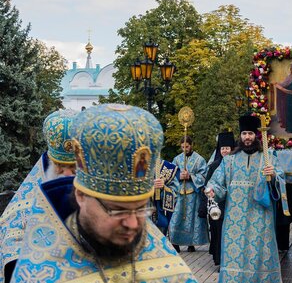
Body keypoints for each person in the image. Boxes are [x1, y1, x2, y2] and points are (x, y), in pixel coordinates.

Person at [4, 104, 197, 282]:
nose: (132, 223)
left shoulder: (159, 254)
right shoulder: (37, 269)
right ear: (81, 195)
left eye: (140, 209)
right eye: (117, 210)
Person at [206, 114, 290, 282]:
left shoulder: (268, 158)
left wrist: (273, 175)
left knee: (260, 253)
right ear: (240, 136)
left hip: (261, 217)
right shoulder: (229, 161)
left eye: (250, 134)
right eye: (244, 134)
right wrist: (212, 189)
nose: (247, 137)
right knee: (235, 253)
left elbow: (281, 180)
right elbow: (217, 182)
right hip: (235, 218)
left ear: (256, 135)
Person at [0, 109, 78, 281]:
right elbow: (10, 238)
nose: (67, 176)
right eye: (59, 167)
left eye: (74, 169)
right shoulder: (28, 200)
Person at [199, 131, 235, 267]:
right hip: (217, 207)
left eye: (227, 148)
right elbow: (206, 186)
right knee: (218, 233)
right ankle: (219, 261)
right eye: (223, 148)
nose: (225, 151)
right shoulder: (214, 165)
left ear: (232, 149)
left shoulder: (236, 165)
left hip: (232, 205)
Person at [167, 136, 208, 252]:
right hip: (179, 194)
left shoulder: (199, 160)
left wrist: (190, 176)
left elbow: (204, 176)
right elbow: (171, 175)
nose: (185, 149)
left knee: (192, 219)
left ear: (191, 145)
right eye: (183, 147)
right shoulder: (177, 159)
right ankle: (175, 242)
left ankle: (191, 243)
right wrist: (179, 176)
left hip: (193, 195)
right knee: (176, 218)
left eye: (187, 146)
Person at [152, 160, 180, 235]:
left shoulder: (167, 167)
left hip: (159, 214)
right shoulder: (132, 167)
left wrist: (163, 188)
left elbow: (175, 193)